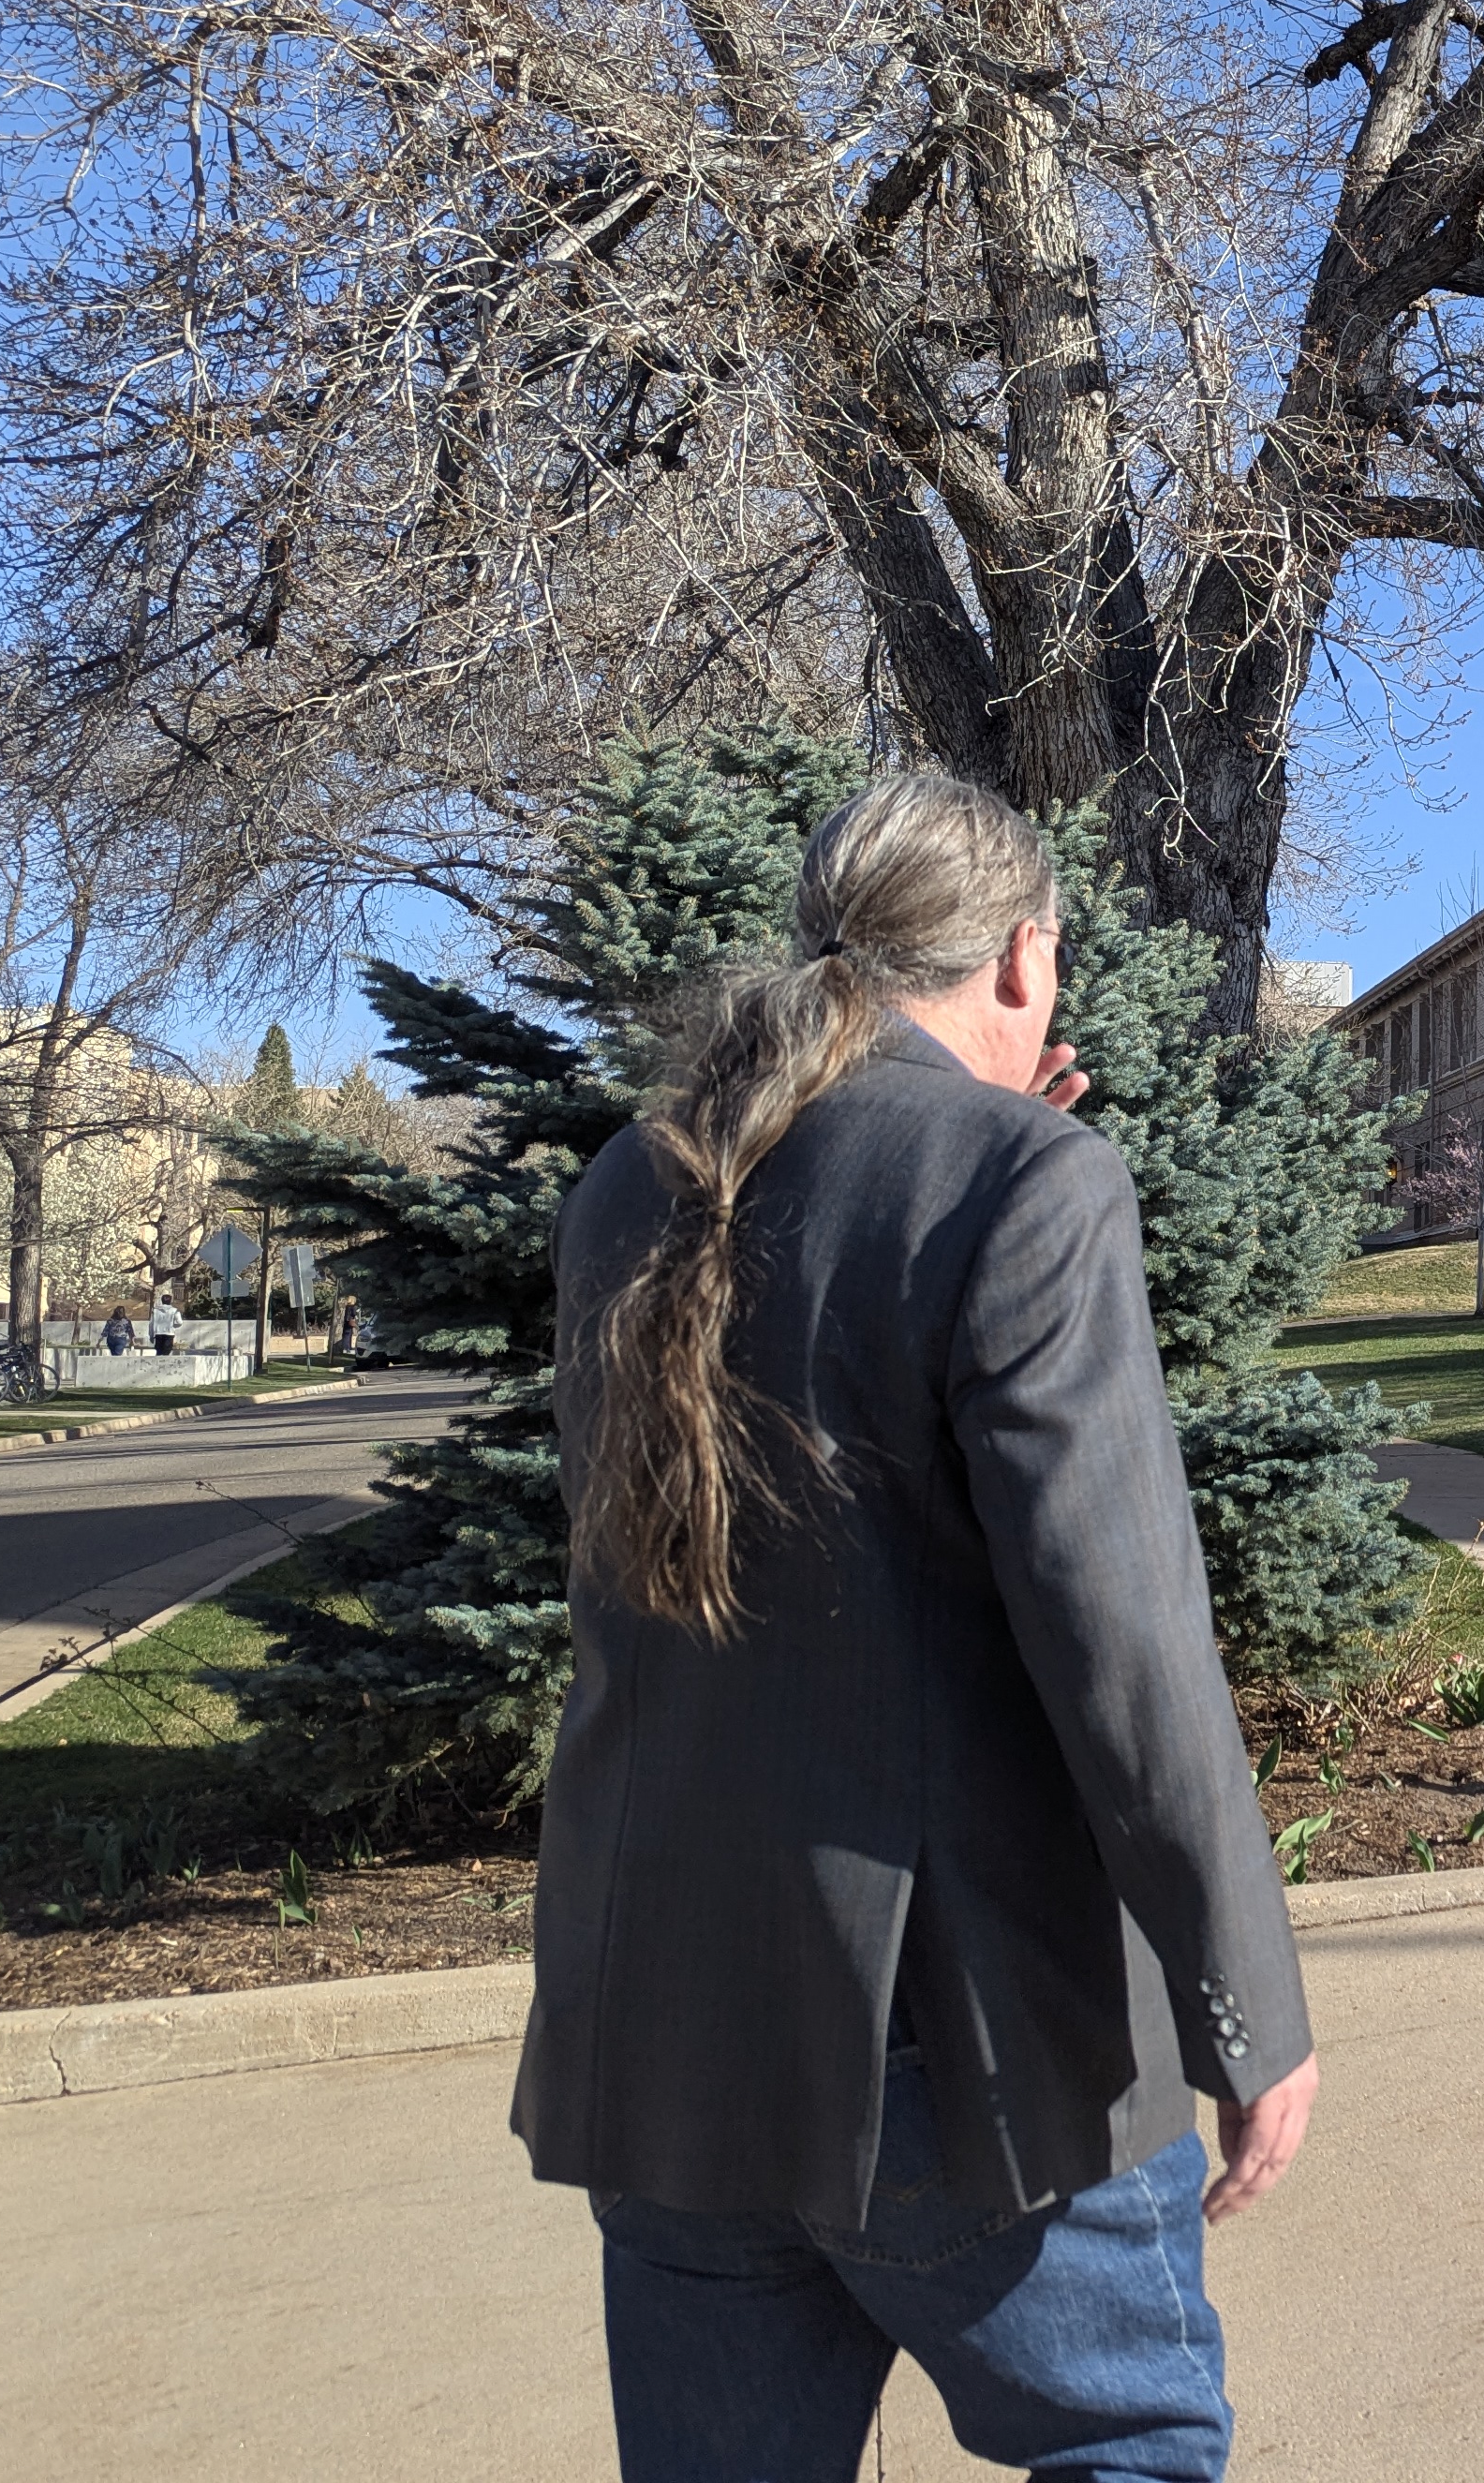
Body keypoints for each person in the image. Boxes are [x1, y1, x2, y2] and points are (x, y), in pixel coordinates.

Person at [521, 774, 1317, 2483]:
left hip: (666, 2023)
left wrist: (1001, 1136)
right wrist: (1245, 2010)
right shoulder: (1025, 1180)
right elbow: (1129, 1649)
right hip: (963, 2048)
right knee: (1133, 2445)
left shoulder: (623, 1189)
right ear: (1023, 956)